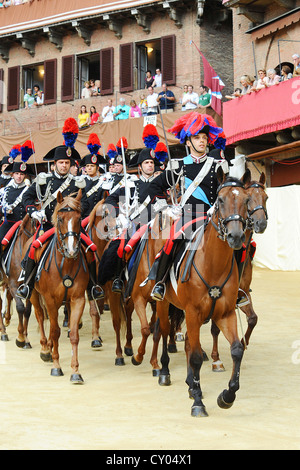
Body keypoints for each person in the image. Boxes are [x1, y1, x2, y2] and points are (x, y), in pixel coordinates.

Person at [16, 119, 104, 302]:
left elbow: (86, 204)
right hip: (48, 226)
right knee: (32, 248)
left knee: (91, 248)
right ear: (54, 164)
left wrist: (76, 212)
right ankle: (26, 282)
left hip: (71, 228)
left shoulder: (77, 182)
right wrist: (33, 211)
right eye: (61, 162)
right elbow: (26, 197)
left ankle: (94, 286)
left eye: (66, 162)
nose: (64, 165)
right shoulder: (43, 180)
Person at [148, 112, 228, 301]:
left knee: (238, 242)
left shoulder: (219, 165)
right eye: (196, 138)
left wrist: (215, 207)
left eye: (204, 138)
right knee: (172, 239)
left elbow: (224, 190)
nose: (202, 141)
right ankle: (160, 282)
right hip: (189, 215)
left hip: (213, 215)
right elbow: (155, 187)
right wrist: (165, 209)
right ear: (188, 142)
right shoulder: (178, 165)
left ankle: (239, 287)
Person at [99, 147, 158, 293]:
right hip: (136, 225)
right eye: (146, 163)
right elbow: (111, 199)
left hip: (157, 225)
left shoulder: (160, 184)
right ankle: (118, 278)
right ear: (140, 167)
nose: (150, 165)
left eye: (151, 162)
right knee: (119, 247)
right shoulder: (132, 186)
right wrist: (118, 215)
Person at [0, 161, 34, 259]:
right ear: (12, 174)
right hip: (9, 223)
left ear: (25, 176)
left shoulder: (29, 190)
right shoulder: (5, 191)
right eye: (17, 173)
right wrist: (3, 210)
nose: (19, 176)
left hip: (26, 224)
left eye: (22, 174)